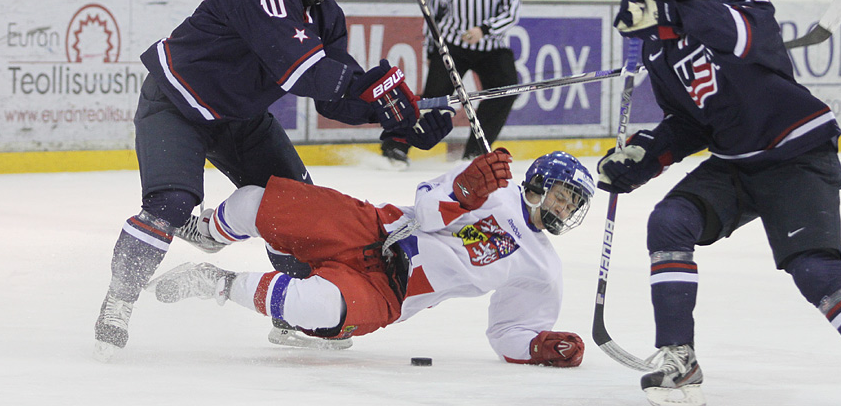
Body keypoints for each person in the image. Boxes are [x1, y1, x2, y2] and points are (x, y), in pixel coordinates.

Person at [94, 0, 453, 359]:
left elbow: (333, 101)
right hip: (176, 103)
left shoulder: (326, 14)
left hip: (240, 117)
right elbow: (302, 71)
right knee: (169, 204)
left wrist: (401, 120)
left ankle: (291, 316)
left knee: (299, 207)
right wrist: (374, 88)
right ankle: (119, 301)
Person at [595, 0, 841, 406]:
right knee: (669, 221)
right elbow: (690, 121)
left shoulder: (741, 2)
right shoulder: (658, 49)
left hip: (797, 155)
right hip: (735, 164)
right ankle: (680, 359)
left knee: (816, 271)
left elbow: (737, 34)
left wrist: (670, 18)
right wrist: (643, 157)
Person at [147, 149, 593, 367]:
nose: (564, 209)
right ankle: (208, 232)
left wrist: (536, 348)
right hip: (373, 230)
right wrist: (463, 192)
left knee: (319, 306)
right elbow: (426, 213)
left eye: (572, 205)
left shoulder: (543, 269)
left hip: (388, 292)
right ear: (539, 182)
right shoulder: (488, 184)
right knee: (256, 202)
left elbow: (508, 332)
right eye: (562, 196)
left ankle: (214, 282)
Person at [381, 0, 521, 166]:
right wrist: (432, 47)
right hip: (453, 46)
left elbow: (511, 12)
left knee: (505, 89)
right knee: (433, 99)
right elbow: (433, 14)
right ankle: (396, 145)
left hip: (491, 46)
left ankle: (475, 152)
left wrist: (484, 29)